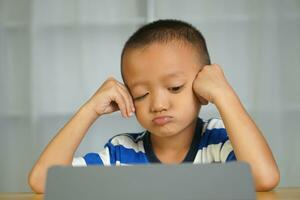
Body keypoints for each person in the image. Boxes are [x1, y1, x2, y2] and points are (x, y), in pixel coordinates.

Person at [28, 19, 280, 193]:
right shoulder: (121, 151)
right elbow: (42, 181)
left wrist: (224, 94)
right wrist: (89, 110)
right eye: (141, 94)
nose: (158, 104)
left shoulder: (217, 142)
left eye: (175, 88)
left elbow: (264, 177)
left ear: (203, 86)